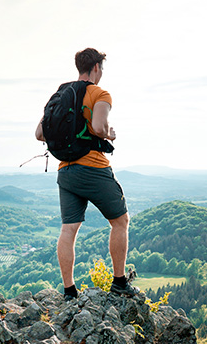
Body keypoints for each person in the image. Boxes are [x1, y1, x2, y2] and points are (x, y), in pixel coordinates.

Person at [35, 48, 139, 301]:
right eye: (101, 68)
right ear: (95, 68)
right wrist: (109, 134)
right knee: (120, 222)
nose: (101, 73)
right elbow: (98, 127)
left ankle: (69, 291)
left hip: (66, 170)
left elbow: (39, 134)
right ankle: (119, 282)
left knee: (68, 229)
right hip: (92, 167)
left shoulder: (61, 94)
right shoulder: (99, 93)